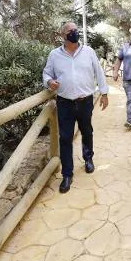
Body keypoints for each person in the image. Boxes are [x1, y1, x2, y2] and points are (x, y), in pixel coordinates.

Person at [43, 22, 109, 193]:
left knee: (87, 131)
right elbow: (46, 73)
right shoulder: (54, 55)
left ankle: (88, 159)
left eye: (75, 30)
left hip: (85, 101)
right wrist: (50, 81)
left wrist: (104, 93)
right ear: (62, 35)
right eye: (70, 31)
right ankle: (67, 174)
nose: (74, 32)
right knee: (65, 138)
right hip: (65, 103)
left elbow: (99, 72)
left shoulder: (88, 52)